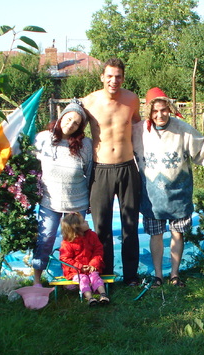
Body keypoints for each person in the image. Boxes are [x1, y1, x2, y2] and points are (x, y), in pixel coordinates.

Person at [132, 87, 204, 287]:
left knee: (177, 233)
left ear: (170, 108)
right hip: (151, 195)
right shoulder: (138, 130)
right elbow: (119, 145)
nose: (160, 115)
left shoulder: (182, 129)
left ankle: (175, 274)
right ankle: (158, 276)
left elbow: (203, 148)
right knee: (155, 235)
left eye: (164, 110)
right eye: (155, 111)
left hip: (179, 193)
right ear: (149, 111)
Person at [82, 58, 142, 286]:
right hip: (101, 170)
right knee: (101, 227)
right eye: (109, 76)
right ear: (102, 77)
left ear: (123, 78)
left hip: (128, 168)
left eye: (118, 76)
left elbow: (139, 128)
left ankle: (131, 277)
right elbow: (72, 127)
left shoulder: (131, 99)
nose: (113, 80)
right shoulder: (89, 102)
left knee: (130, 225)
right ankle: (104, 276)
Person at [31, 99, 92, 286]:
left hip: (77, 201)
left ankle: (74, 278)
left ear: (80, 127)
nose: (70, 124)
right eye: (69, 119)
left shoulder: (85, 145)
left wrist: (89, 201)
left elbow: (89, 172)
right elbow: (28, 161)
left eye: (76, 123)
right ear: (61, 117)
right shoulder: (43, 138)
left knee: (75, 242)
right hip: (50, 201)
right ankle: (37, 279)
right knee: (45, 238)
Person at [59, 213, 110, 306]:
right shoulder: (67, 243)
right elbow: (65, 259)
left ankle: (103, 294)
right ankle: (89, 297)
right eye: (83, 221)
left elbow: (98, 251)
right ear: (76, 228)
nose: (86, 221)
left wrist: (93, 265)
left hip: (91, 268)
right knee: (82, 279)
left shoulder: (92, 235)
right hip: (75, 271)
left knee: (95, 276)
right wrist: (80, 267)